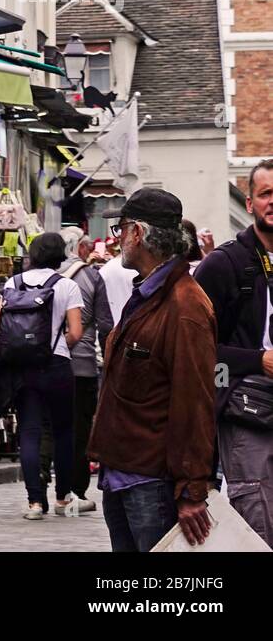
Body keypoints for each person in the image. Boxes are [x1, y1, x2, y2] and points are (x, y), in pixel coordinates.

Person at [89, 189, 216, 551]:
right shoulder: (148, 293)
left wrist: (192, 490)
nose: (117, 239)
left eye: (121, 229)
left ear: (138, 234)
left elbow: (195, 401)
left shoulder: (185, 305)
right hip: (124, 474)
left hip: (152, 482)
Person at [193, 161, 273, 547]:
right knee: (257, 523)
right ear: (251, 202)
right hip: (247, 415)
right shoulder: (223, 265)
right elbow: (198, 354)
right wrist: (256, 361)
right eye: (266, 194)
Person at [0, 232, 84, 520]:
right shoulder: (67, 286)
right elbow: (76, 332)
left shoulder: (13, 283)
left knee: (29, 431)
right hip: (57, 364)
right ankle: (62, 497)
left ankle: (35, 502)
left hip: (22, 367)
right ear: (61, 254)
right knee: (63, 432)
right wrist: (58, 347)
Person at [58, 235, 113, 514]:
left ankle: (41, 494)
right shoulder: (92, 276)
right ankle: (76, 490)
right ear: (79, 248)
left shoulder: (45, 276)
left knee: (46, 428)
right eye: (88, 245)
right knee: (79, 430)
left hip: (49, 364)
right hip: (82, 364)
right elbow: (105, 324)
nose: (91, 250)